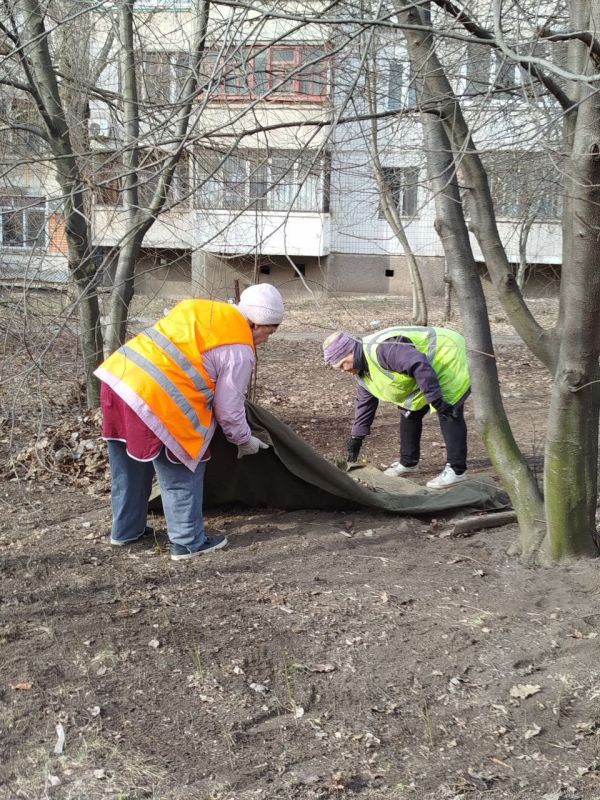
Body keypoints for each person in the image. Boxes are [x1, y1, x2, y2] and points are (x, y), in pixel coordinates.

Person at [95, 283, 284, 560]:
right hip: (157, 397)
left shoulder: (201, 310)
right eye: (268, 332)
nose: (265, 340)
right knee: (182, 466)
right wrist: (244, 441)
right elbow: (228, 410)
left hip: (119, 379)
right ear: (255, 323)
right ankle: (187, 542)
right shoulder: (239, 349)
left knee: (129, 465)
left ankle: (126, 531)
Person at [323, 325, 471, 489]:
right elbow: (365, 404)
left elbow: (417, 364)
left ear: (350, 352)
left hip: (447, 356)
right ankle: (408, 462)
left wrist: (435, 398)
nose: (344, 370)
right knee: (409, 412)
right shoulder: (362, 372)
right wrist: (356, 437)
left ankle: (457, 471)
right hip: (424, 370)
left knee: (448, 412)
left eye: (343, 364)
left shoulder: (383, 350)